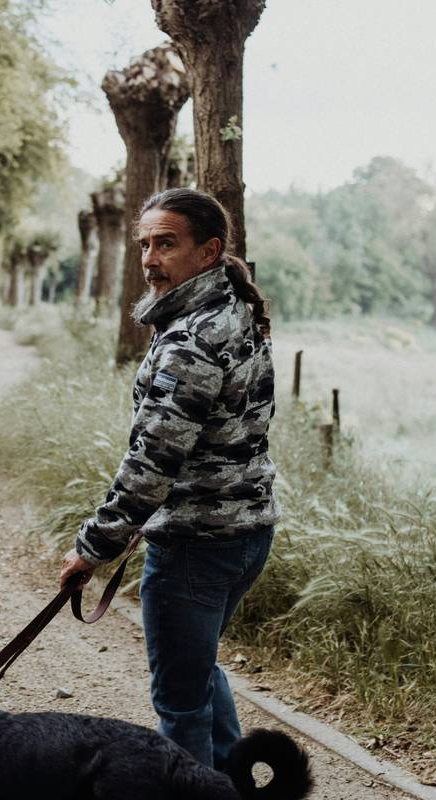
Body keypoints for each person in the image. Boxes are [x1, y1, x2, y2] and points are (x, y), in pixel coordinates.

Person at [59, 187, 278, 770]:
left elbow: (152, 464)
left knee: (180, 703)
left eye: (166, 244)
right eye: (145, 245)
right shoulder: (232, 312)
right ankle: (232, 783)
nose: (150, 259)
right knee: (198, 671)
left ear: (208, 252)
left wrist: (92, 550)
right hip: (244, 535)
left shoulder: (190, 339)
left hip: (196, 547)